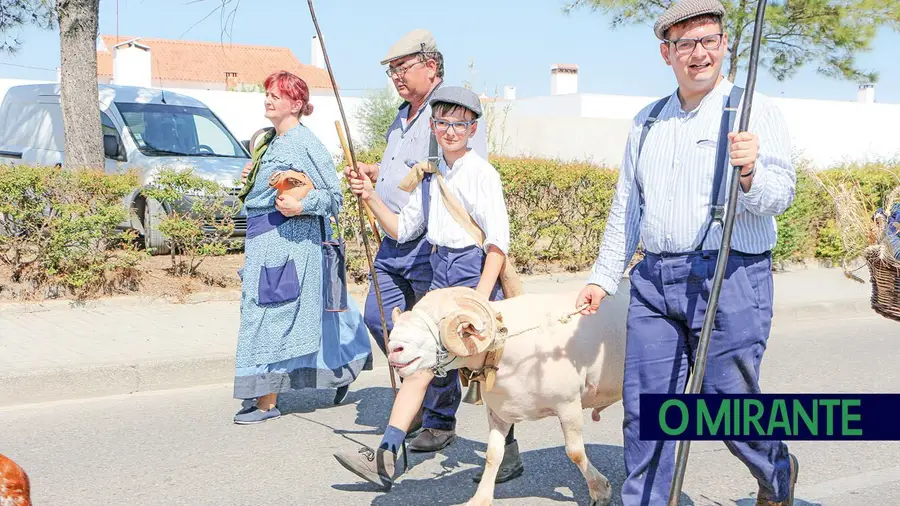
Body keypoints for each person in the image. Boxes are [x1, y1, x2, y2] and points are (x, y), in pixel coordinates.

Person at [575, 1, 800, 504]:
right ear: (666, 53)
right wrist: (602, 277)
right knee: (647, 408)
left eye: (707, 41)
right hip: (655, 279)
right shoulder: (648, 120)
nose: (698, 53)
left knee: (729, 402)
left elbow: (780, 196)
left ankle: (776, 468)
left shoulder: (753, 109)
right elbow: (627, 207)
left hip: (731, 275)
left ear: (724, 46)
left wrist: (751, 172)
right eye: (684, 44)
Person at [345, 29, 524, 482]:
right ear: (432, 127)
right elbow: (407, 226)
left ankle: (510, 452)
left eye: (458, 125)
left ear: (473, 130)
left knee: (486, 367)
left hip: (469, 271)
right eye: (441, 124)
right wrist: (369, 197)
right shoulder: (429, 174)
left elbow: (497, 240)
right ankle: (386, 453)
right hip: (440, 269)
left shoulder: (481, 174)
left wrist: (482, 297)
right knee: (424, 362)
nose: (448, 131)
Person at [231, 70, 373, 424]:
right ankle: (339, 369)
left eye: (277, 95)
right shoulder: (269, 141)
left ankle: (266, 400)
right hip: (263, 243)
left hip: (288, 245)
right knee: (270, 315)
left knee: (271, 319)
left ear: (296, 104)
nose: (268, 99)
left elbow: (334, 197)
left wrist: (301, 206)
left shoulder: (304, 143)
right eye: (267, 93)